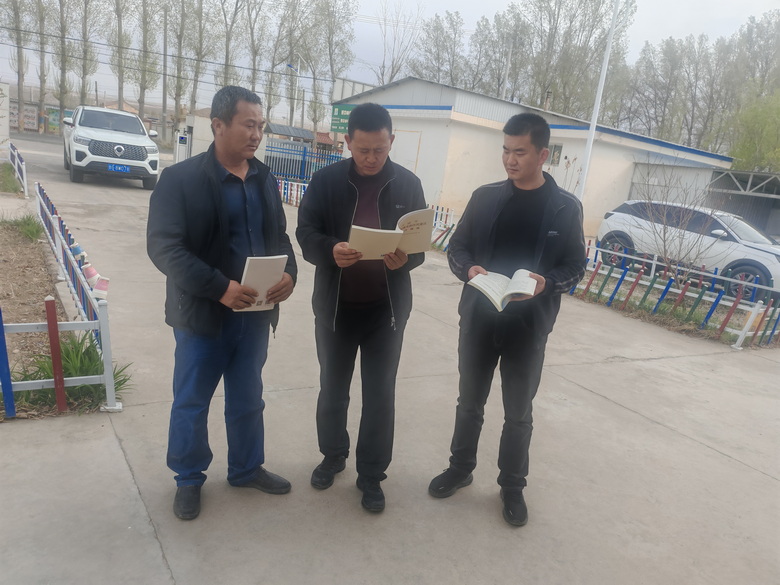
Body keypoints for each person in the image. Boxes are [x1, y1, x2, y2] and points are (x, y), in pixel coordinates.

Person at [147, 86, 297, 521]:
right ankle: (188, 478)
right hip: (203, 316)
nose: (257, 134)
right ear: (218, 125)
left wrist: (290, 274)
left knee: (248, 397)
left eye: (260, 126)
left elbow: (280, 236)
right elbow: (164, 248)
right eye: (248, 125)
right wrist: (220, 288)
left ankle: (246, 468)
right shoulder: (181, 180)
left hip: (254, 315)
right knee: (192, 401)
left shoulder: (265, 179)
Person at [428, 113, 585, 526]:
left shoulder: (565, 208)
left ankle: (512, 487)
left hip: (527, 327)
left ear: (542, 155)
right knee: (469, 402)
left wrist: (547, 283)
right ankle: (460, 469)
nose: (510, 160)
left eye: (520, 152)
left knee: (518, 412)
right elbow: (457, 247)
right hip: (480, 318)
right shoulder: (485, 197)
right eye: (505, 150)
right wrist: (469, 270)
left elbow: (575, 267)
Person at [296, 103, 426, 513]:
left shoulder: (408, 185)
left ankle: (371, 475)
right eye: (363, 149)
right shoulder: (326, 181)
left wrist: (405, 259)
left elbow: (418, 248)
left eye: (380, 150)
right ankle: (333, 456)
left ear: (392, 141)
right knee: (333, 390)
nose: (371, 158)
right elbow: (305, 233)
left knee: (380, 395)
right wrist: (330, 250)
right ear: (348, 142)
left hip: (386, 312)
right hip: (336, 309)